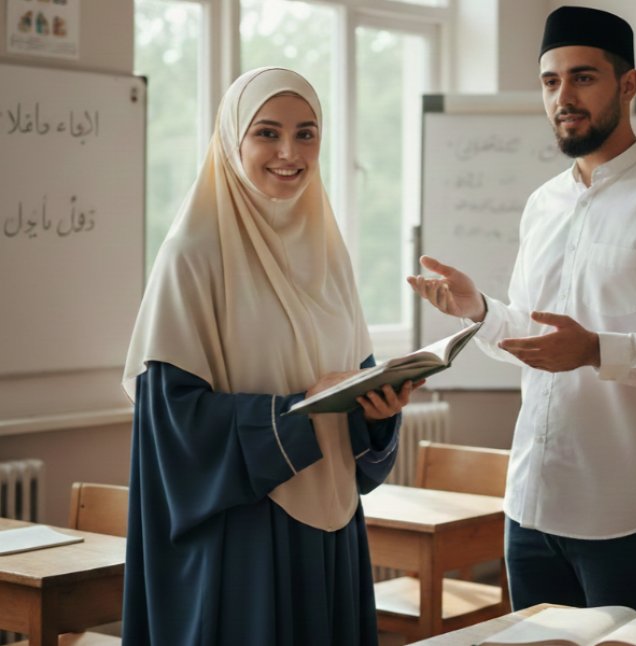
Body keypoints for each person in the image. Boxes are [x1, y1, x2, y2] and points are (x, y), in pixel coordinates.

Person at [407, 6, 636, 613]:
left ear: (628, 84)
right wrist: (480, 310)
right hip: (532, 504)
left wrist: (598, 350)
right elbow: (539, 338)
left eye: (583, 77)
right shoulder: (543, 204)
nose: (563, 96)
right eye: (550, 81)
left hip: (631, 512)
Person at [122, 67, 421, 645]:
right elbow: (171, 421)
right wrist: (292, 412)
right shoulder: (193, 253)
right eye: (267, 133)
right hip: (243, 532)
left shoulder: (330, 253)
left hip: (330, 524)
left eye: (306, 133)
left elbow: (351, 383)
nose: (289, 152)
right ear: (233, 141)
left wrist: (377, 414)